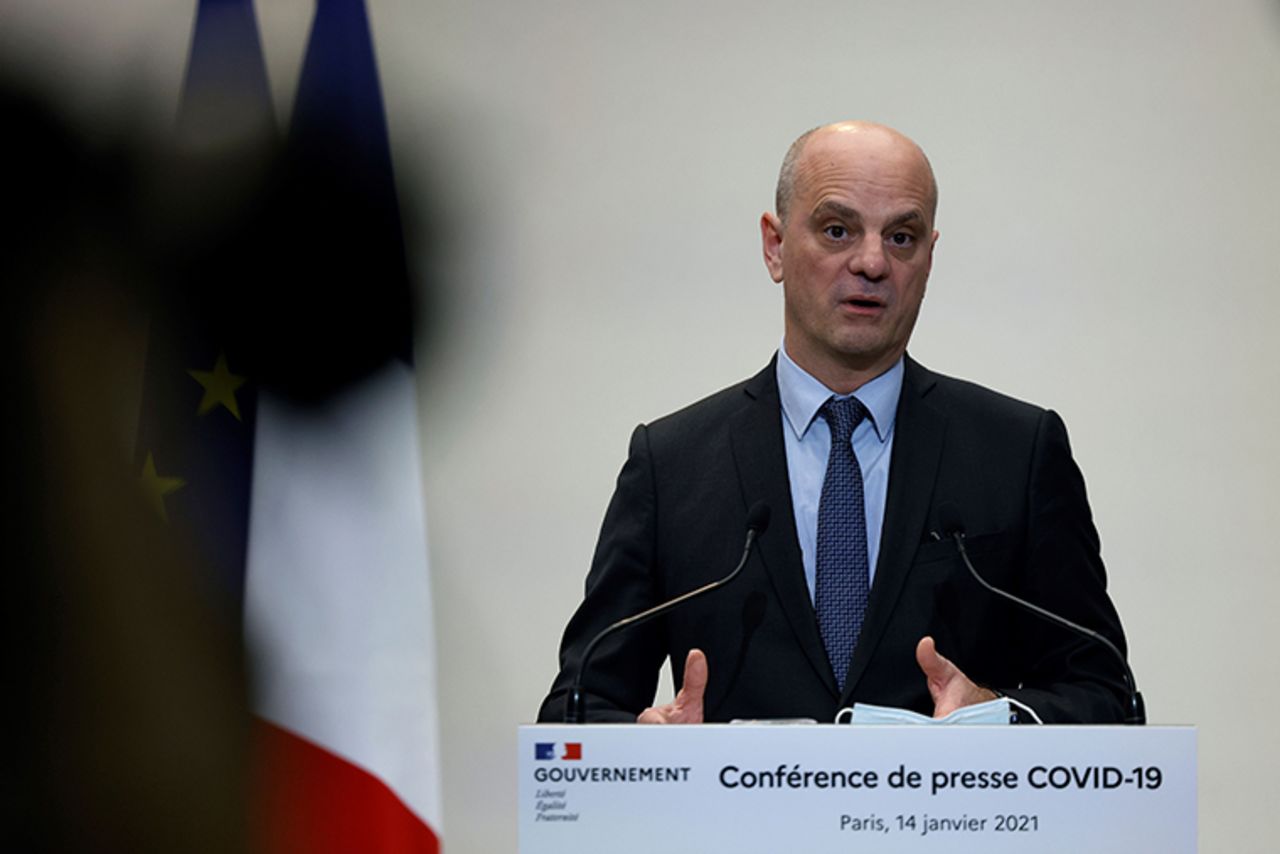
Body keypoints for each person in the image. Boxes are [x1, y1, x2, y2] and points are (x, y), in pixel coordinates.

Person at [537, 121, 1132, 725]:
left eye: (902, 237)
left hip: (940, 821)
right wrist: (652, 748)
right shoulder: (672, 465)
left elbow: (1106, 695)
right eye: (837, 230)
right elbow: (578, 705)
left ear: (929, 257)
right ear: (774, 246)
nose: (872, 262)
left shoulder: (1016, 452)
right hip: (738, 819)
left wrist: (998, 718)